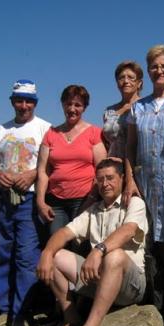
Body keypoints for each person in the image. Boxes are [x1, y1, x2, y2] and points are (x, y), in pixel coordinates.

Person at [36, 158, 148, 326]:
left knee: (114, 256)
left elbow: (128, 230)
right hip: (100, 280)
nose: (105, 184)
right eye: (100, 179)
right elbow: (65, 232)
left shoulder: (134, 203)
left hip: (130, 285)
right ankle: (72, 319)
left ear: (122, 179)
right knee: (56, 256)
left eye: (110, 178)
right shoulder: (94, 210)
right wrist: (47, 252)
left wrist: (98, 250)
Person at [124, 44, 164, 314]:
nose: (159, 71)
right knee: (151, 245)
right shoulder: (138, 107)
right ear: (148, 71)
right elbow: (130, 148)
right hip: (146, 186)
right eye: (154, 66)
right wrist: (129, 181)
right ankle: (158, 307)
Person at [0, 79, 51, 326]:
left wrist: (32, 174)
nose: (24, 106)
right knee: (3, 254)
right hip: (5, 200)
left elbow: (52, 163)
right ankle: (4, 310)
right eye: (19, 101)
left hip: (28, 200)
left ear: (35, 103)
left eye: (28, 101)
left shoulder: (44, 128)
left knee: (26, 256)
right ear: (12, 102)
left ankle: (22, 311)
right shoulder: (2, 130)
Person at [36, 85, 107, 237]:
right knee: (56, 241)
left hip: (84, 199)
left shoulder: (94, 133)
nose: (72, 109)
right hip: (56, 202)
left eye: (77, 105)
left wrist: (91, 200)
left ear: (84, 108)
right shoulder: (51, 134)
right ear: (62, 105)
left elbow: (101, 170)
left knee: (79, 243)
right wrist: (40, 201)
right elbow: (42, 171)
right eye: (68, 104)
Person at [102, 61, 143, 159]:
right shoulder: (109, 111)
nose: (126, 81)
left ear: (139, 83)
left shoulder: (146, 107)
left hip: (138, 163)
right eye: (121, 78)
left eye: (131, 77)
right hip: (114, 164)